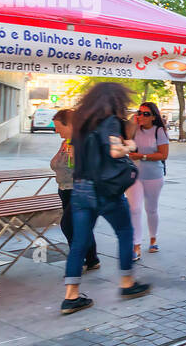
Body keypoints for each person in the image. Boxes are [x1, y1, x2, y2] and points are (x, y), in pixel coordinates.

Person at [62, 82, 150, 315]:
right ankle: (127, 283)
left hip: (79, 189)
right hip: (104, 190)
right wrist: (129, 144)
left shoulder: (80, 123)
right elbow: (114, 151)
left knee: (80, 242)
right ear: (115, 101)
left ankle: (71, 296)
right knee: (124, 232)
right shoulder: (109, 121)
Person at [52, 109, 100, 272]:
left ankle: (77, 260)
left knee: (68, 225)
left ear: (71, 125)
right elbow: (54, 164)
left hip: (80, 190)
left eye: (59, 126)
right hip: (64, 189)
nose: (56, 130)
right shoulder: (65, 143)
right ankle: (92, 259)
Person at [126, 101, 170, 260]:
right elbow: (124, 139)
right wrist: (132, 120)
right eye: (140, 112)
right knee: (134, 209)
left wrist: (142, 156)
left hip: (153, 176)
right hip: (134, 175)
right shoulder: (134, 129)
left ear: (153, 117)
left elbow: (163, 155)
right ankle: (136, 245)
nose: (141, 116)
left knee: (151, 209)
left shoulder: (159, 131)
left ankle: (153, 238)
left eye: (146, 114)